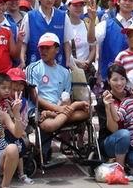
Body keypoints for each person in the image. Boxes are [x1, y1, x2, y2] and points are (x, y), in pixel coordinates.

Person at [25, 33, 89, 161]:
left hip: (59, 110)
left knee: (88, 112)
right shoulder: (33, 68)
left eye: (47, 48)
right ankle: (43, 149)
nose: (43, 51)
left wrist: (59, 110)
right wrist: (59, 109)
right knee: (50, 126)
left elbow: (66, 97)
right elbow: (34, 97)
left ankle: (56, 115)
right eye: (41, 48)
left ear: (57, 49)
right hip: (39, 109)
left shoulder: (64, 72)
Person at [96, 65, 133, 177]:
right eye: (115, 80)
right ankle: (120, 170)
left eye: (122, 79)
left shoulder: (131, 96)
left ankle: (116, 160)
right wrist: (108, 107)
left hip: (130, 142)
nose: (119, 83)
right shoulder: (104, 100)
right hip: (110, 142)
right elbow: (113, 129)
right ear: (109, 81)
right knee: (124, 134)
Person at [21, 0, 71, 67]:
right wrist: (22, 61)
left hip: (58, 65)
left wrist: (68, 62)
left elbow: (66, 43)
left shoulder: (63, 16)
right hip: (35, 65)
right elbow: (24, 43)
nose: (50, 0)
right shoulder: (29, 16)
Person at [96, 0, 133, 81]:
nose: (127, 3)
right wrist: (91, 22)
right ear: (118, 1)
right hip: (110, 79)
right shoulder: (105, 25)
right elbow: (92, 42)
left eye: (131, 0)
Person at [65, 0, 96, 78]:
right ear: (68, 7)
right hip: (70, 70)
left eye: (81, 5)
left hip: (86, 71)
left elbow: (93, 47)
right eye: (75, 5)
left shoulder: (87, 25)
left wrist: (87, 62)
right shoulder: (64, 26)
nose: (78, 8)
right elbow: (64, 51)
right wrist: (78, 63)